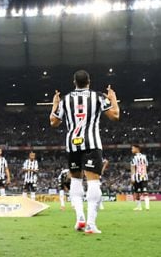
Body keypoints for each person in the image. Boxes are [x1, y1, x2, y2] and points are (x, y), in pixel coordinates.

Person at [50, 69, 120, 235]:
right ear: (89, 81)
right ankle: (90, 224)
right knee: (93, 182)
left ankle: (79, 218)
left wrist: (54, 103)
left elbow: (53, 122)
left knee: (75, 180)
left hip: (73, 145)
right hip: (92, 144)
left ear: (74, 82)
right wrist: (113, 98)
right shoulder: (98, 97)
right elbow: (115, 115)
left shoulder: (65, 100)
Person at [130, 144, 149, 211]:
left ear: (137, 149)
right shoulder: (144, 157)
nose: (131, 150)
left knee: (137, 192)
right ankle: (147, 207)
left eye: (132, 148)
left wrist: (132, 177)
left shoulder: (133, 158)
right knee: (145, 191)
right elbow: (146, 166)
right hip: (144, 176)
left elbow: (133, 168)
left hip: (137, 177)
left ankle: (139, 207)